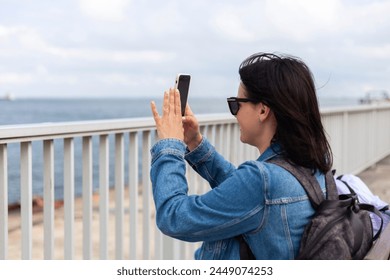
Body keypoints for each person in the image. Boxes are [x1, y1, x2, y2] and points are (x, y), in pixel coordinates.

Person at [149, 52, 333, 260]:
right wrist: (195, 142)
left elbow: (173, 217)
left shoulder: (261, 180)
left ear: (263, 110)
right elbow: (243, 196)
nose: (234, 113)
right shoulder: (313, 166)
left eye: (236, 104)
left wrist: (169, 144)